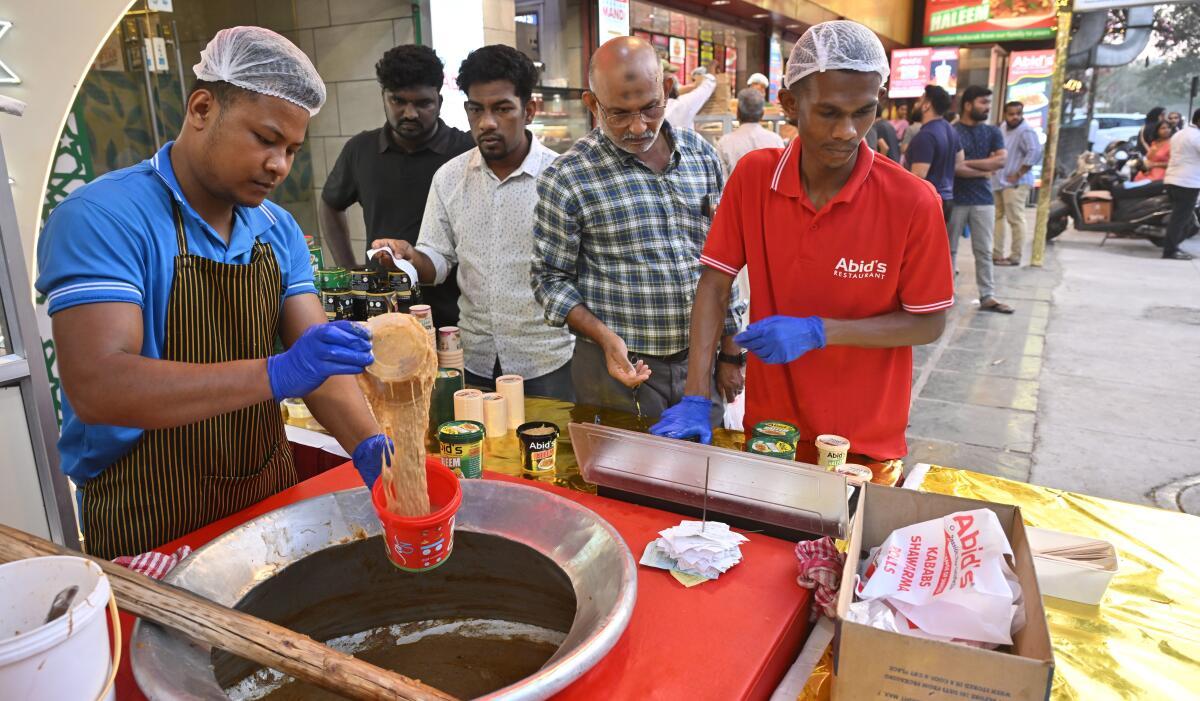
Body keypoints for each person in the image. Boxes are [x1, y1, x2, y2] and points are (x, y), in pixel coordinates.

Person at [34, 28, 390, 559]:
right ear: (202, 108)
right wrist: (275, 373)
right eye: (265, 139)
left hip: (264, 494)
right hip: (151, 512)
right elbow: (99, 385)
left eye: (292, 149)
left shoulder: (277, 229)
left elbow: (319, 366)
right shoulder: (104, 218)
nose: (280, 166)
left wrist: (370, 446)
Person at [651, 20, 954, 484]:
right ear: (790, 104)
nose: (847, 131)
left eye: (863, 112)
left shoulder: (912, 201)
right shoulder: (755, 178)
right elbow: (714, 285)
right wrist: (696, 394)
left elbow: (928, 321)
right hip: (774, 430)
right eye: (829, 112)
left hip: (863, 440)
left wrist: (818, 331)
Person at [532, 36, 740, 422]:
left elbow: (723, 264)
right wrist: (604, 338)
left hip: (701, 367)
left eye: (649, 108)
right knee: (624, 478)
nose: (638, 126)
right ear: (592, 105)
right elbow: (549, 280)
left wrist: (729, 352)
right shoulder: (568, 177)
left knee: (703, 475)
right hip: (617, 373)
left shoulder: (702, 158)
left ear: (665, 89)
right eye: (619, 113)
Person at [369, 45, 574, 399]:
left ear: (530, 111)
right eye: (476, 110)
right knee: (473, 453)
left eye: (502, 108)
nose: (487, 122)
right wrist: (409, 257)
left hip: (548, 362)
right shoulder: (449, 177)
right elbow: (438, 262)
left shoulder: (563, 178)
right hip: (472, 359)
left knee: (547, 454)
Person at [320, 45, 474, 329]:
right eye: (398, 101)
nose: (410, 113)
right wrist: (349, 266)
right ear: (383, 98)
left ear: (439, 101)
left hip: (456, 312)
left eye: (423, 103)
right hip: (383, 309)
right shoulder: (360, 150)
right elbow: (331, 203)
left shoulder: (466, 152)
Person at [949, 86, 1013, 314]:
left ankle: (988, 295)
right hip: (955, 198)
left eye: (988, 103)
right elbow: (955, 169)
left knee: (984, 250)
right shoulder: (952, 131)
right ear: (968, 105)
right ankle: (945, 295)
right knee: (949, 250)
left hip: (983, 199)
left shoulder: (993, 132)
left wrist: (969, 165)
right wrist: (986, 167)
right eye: (982, 103)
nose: (987, 107)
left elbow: (1001, 162)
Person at [993, 101, 1043, 266]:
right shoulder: (1002, 129)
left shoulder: (1026, 131)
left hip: (1016, 183)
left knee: (1015, 219)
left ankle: (1015, 256)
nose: (1015, 117)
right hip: (999, 181)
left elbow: (1035, 152)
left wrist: (1019, 173)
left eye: (1018, 114)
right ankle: (997, 253)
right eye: (1011, 114)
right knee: (998, 217)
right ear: (1005, 114)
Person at [907, 84, 960, 225]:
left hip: (929, 202)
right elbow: (960, 160)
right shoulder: (951, 130)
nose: (916, 105)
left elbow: (918, 175)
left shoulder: (925, 135)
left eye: (919, 101)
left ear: (927, 106)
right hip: (947, 198)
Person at [716, 87, 785, 175]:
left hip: (737, 189)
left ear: (738, 113)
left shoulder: (724, 142)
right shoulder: (776, 140)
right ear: (762, 114)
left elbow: (723, 182)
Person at [1162, 108, 1200, 260]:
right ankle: (1170, 251)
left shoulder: (1179, 134)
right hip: (1187, 183)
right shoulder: (1196, 136)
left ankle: (1173, 247)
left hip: (1173, 179)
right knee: (1179, 219)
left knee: (1178, 218)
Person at [665, 60, 718, 131]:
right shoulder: (679, 105)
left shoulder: (649, 109)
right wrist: (711, 69)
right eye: (671, 74)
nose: (674, 78)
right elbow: (707, 86)